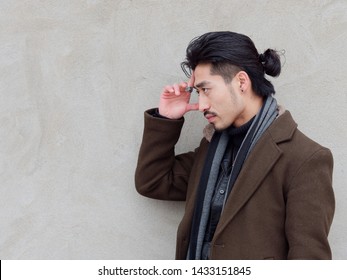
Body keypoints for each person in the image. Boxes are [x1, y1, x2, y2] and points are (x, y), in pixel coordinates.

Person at [135, 31, 335, 260]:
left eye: (206, 90)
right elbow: (154, 181)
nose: (200, 105)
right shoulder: (211, 149)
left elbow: (309, 261)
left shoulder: (304, 158)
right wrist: (167, 118)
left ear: (241, 82)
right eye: (198, 92)